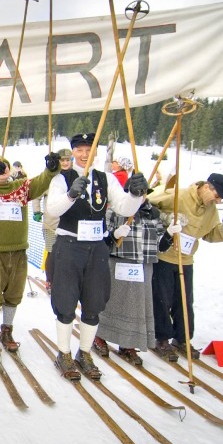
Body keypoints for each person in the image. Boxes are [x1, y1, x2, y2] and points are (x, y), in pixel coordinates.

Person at [45, 133, 148, 379]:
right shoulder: (62, 178)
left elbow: (124, 208)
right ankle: (64, 353)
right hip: (69, 245)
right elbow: (52, 209)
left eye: (88, 149)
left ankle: (85, 352)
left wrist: (136, 194)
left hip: (97, 247)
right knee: (66, 302)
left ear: (95, 152)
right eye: (79, 150)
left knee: (94, 302)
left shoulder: (106, 178)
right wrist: (70, 194)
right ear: (72, 153)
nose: (83, 154)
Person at [148, 173, 223, 359]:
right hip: (163, 255)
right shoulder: (179, 195)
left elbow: (211, 233)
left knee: (184, 301)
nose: (217, 202)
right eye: (217, 196)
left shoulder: (210, 208)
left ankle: (182, 338)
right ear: (208, 187)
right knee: (162, 299)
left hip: (186, 258)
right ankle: (160, 338)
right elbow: (146, 204)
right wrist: (166, 218)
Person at [0, 153, 60, 356]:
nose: (3, 173)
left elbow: (42, 181)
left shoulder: (21, 187)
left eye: (5, 169)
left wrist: (51, 169)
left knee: (14, 294)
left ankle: (7, 330)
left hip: (18, 249)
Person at [92, 201, 165, 366]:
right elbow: (101, 238)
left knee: (136, 306)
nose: (140, 197)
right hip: (118, 261)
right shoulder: (115, 211)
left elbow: (161, 244)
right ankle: (99, 336)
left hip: (144, 264)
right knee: (112, 302)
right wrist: (114, 235)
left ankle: (128, 342)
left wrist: (169, 235)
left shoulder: (152, 214)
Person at [32, 147, 73, 291]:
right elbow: (36, 195)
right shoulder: (50, 178)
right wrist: (37, 211)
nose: (66, 163)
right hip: (52, 223)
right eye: (63, 160)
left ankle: (66, 280)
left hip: (71, 224)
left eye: (68, 160)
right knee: (52, 252)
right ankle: (51, 281)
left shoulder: (76, 176)